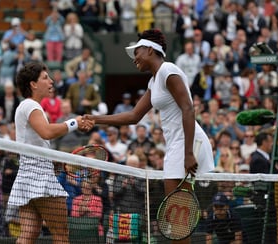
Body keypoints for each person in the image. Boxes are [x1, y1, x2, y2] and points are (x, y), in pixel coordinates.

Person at [84, 29, 214, 244]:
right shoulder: (154, 82)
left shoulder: (168, 71)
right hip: (178, 145)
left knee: (177, 215)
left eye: (137, 52)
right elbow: (134, 116)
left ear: (151, 50)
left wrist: (188, 152)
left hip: (187, 144)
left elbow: (188, 109)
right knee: (177, 217)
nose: (134, 58)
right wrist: (96, 119)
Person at [6, 61, 93, 244]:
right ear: (33, 84)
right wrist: (74, 122)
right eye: (45, 78)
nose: (51, 81)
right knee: (61, 235)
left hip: (26, 177)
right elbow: (47, 131)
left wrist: (52, 161)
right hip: (40, 178)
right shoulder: (31, 106)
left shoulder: (25, 106)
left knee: (28, 234)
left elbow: (37, 142)